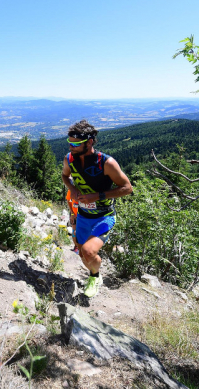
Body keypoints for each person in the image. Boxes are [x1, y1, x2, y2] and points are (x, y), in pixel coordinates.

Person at [61, 120, 132, 298]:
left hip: (104, 216)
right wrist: (74, 189)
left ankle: (94, 277)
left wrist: (97, 196)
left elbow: (127, 188)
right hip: (83, 215)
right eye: (69, 143)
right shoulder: (69, 159)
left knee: (89, 251)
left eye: (76, 144)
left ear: (90, 142)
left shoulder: (106, 163)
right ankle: (95, 273)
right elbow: (64, 176)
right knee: (81, 252)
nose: (71, 147)